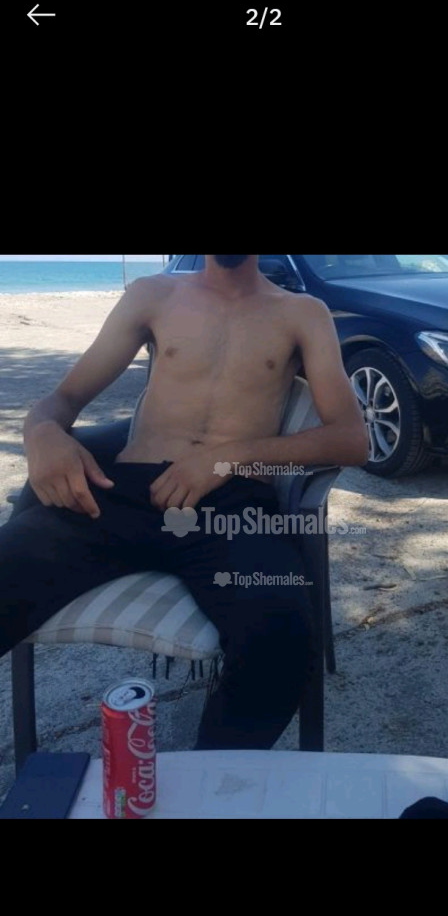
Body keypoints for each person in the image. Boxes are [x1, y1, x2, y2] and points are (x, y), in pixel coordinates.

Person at [0, 255, 369, 750]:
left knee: (281, 638)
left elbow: (351, 439)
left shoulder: (302, 313)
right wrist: (42, 433)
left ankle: (209, 778)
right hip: (124, 494)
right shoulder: (152, 295)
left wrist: (228, 458)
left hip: (232, 506)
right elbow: (62, 399)